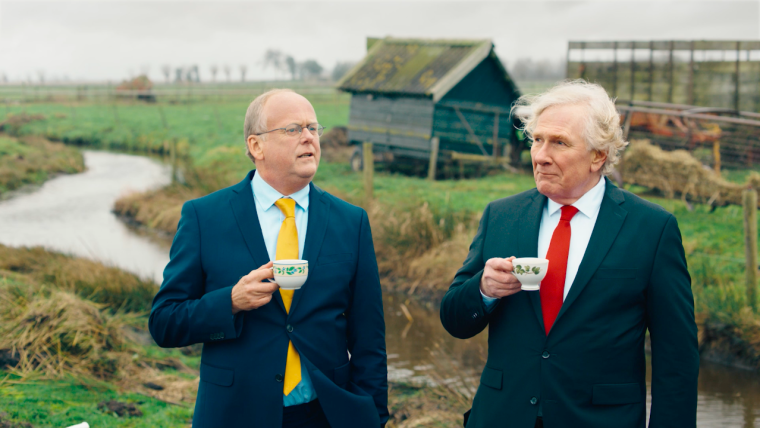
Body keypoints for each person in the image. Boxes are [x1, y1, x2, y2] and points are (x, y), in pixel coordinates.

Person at [440, 80, 698, 428]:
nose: (541, 155)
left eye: (559, 142)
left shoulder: (652, 229)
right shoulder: (501, 216)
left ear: (598, 155)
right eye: (537, 140)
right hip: (501, 417)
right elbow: (455, 321)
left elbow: (677, 359)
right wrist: (484, 290)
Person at [149, 89, 388, 428]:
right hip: (235, 413)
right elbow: (163, 322)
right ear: (256, 146)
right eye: (293, 129)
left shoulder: (351, 222)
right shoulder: (205, 218)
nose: (309, 138)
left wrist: (372, 418)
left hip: (327, 414)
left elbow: (369, 339)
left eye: (313, 128)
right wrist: (230, 301)